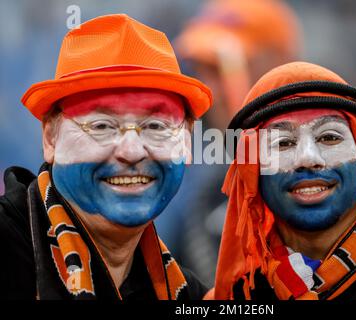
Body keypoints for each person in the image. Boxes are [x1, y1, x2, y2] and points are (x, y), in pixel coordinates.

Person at [0, 14, 212, 300]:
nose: (132, 151)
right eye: (102, 126)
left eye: (155, 126)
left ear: (186, 141)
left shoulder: (189, 295)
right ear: (51, 138)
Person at [210, 62, 356, 300]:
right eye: (283, 143)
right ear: (253, 175)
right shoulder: (239, 297)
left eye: (329, 137)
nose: (308, 158)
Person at [156, 0, 302, 286]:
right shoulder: (204, 195)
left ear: (278, 66)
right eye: (202, 71)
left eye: (223, 69)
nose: (209, 92)